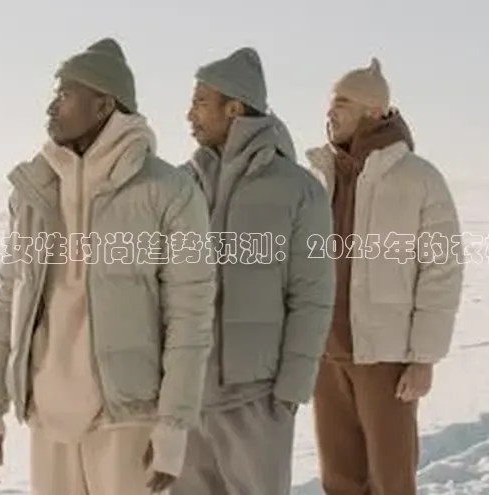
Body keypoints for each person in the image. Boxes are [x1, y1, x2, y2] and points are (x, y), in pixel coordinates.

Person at [0, 37, 216, 495]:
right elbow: (9, 300)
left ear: (104, 105)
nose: (51, 107)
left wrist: (174, 424)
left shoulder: (169, 191)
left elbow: (191, 316)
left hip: (127, 418)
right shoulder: (34, 189)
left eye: (65, 95)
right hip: (47, 416)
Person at [171, 47, 336, 495]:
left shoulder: (299, 189)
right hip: (185, 397)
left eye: (200, 102)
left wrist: (290, 391)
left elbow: (313, 294)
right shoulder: (180, 184)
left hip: (256, 399)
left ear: (234, 108)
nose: (189, 114)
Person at [305, 57, 464, 495]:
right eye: (331, 102)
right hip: (325, 355)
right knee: (339, 479)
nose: (330, 111)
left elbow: (441, 271)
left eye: (342, 102)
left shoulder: (418, 179)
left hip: (386, 359)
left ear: (373, 111)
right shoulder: (319, 176)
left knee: (391, 479)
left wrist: (423, 358)